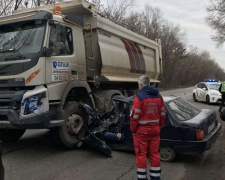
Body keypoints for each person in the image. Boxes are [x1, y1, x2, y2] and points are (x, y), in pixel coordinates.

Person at [130, 75, 166, 180]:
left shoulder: (139, 98)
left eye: (138, 85)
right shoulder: (159, 97)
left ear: (141, 85)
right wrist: (158, 127)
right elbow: (163, 115)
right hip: (155, 132)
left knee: (141, 156)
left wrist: (133, 130)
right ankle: (155, 177)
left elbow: (134, 117)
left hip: (141, 133)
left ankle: (142, 178)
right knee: (155, 155)